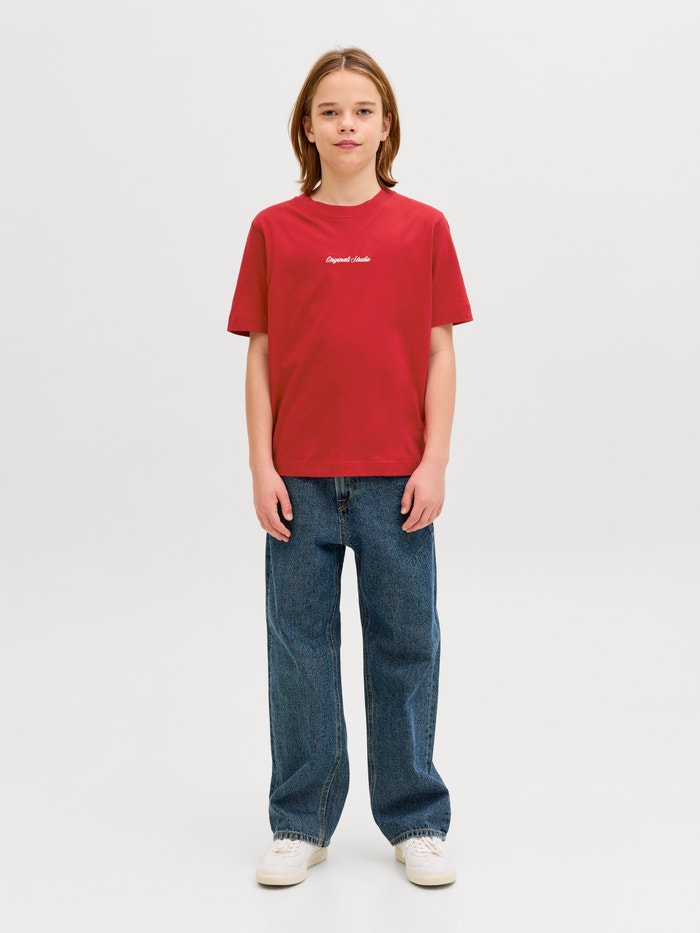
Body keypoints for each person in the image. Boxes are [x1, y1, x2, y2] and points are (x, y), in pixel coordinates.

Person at [227, 47, 472, 887]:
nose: (346, 124)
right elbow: (260, 354)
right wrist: (260, 466)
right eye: (330, 111)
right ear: (307, 126)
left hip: (396, 480)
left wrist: (435, 460)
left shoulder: (423, 228)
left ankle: (416, 819)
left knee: (407, 645)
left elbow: (439, 351)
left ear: (386, 125)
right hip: (298, 482)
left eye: (363, 110)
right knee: (299, 652)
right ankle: (302, 820)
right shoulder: (274, 230)